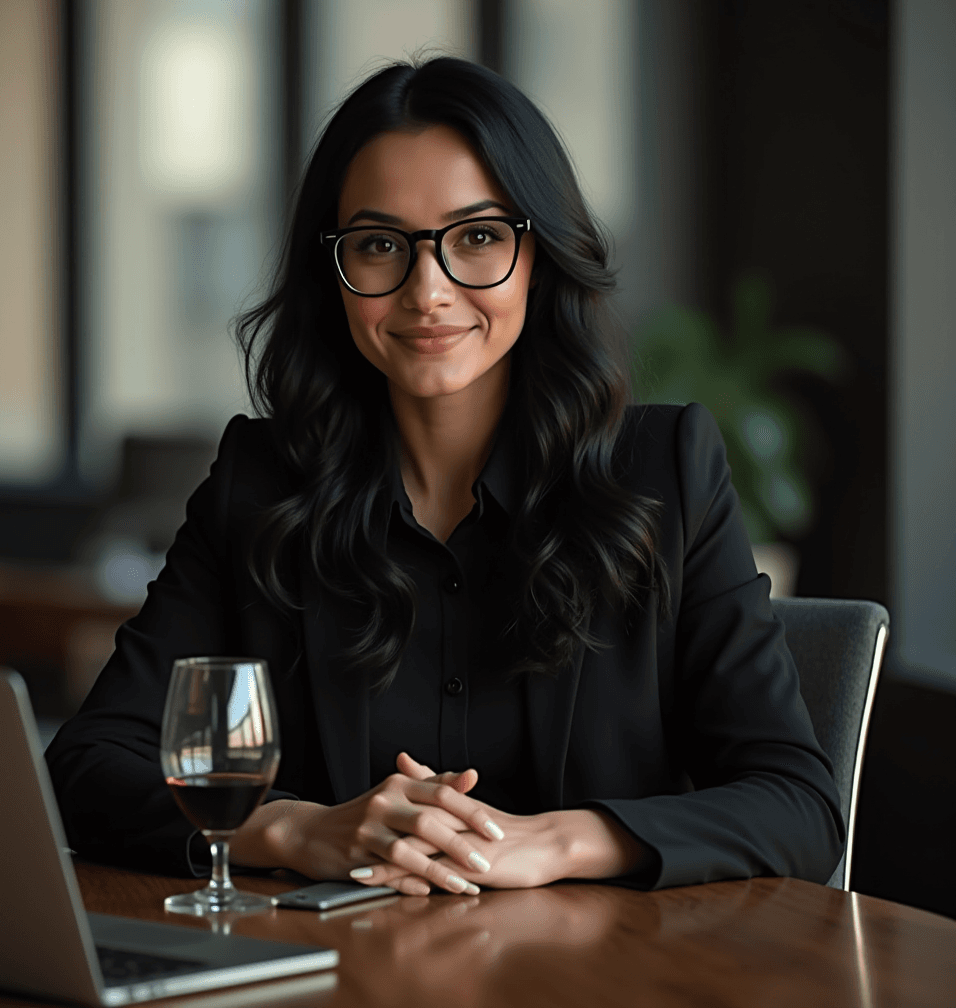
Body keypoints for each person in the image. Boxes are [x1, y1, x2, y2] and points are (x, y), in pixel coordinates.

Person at [46, 56, 844, 897]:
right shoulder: (262, 484)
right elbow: (88, 766)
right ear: (336, 269)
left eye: (478, 237)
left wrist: (559, 843)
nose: (428, 291)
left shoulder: (665, 472)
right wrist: (298, 826)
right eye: (382, 245)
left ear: (540, 255)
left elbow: (797, 803)